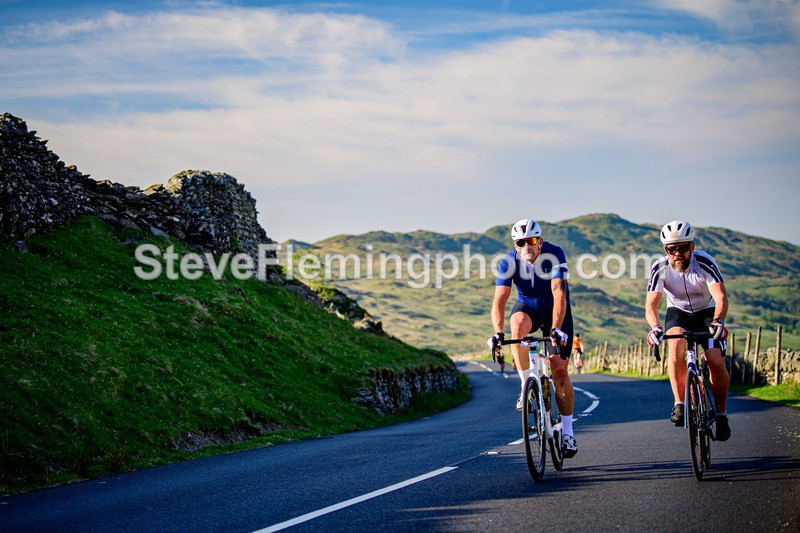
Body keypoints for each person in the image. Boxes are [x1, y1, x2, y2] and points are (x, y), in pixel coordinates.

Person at [487, 218, 578, 457]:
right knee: (516, 324)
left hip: (556, 313)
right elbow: (500, 300)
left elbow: (560, 293)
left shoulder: (555, 253)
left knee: (559, 372)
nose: (527, 246)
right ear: (515, 246)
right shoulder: (508, 261)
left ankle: (568, 433)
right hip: (528, 309)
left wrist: (557, 328)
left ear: (540, 242)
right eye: (521, 242)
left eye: (532, 241)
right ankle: (525, 383)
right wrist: (497, 333)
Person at [645, 220, 731, 441]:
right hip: (678, 313)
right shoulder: (660, 267)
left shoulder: (704, 262)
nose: (677, 253)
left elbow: (721, 297)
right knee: (674, 348)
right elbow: (651, 305)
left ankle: (721, 414)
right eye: (672, 249)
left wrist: (718, 321)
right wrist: (655, 327)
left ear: (691, 247)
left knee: (715, 360)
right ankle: (679, 403)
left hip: (706, 313)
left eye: (682, 247)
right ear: (666, 250)